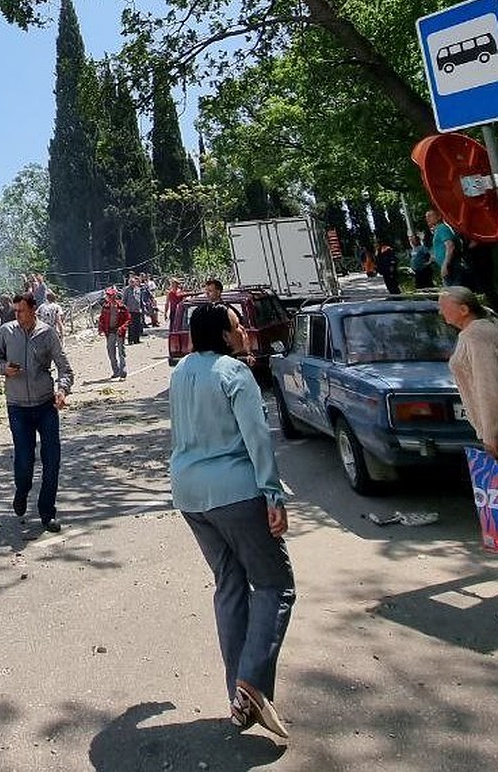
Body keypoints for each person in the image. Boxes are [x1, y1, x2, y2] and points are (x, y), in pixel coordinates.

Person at [169, 303, 295, 740]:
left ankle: (238, 697)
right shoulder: (233, 373)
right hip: (237, 492)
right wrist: (273, 494)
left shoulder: (181, 371)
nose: (243, 332)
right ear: (224, 335)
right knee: (275, 584)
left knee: (230, 584)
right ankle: (252, 680)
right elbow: (256, 438)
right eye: (238, 326)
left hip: (189, 495)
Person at [0, 292, 74, 533]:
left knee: (52, 460)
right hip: (17, 406)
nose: (17, 315)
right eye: (15, 311)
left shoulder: (47, 333)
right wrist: (4, 368)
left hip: (45, 405)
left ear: (33, 310)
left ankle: (47, 512)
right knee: (25, 459)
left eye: (21, 311)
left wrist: (62, 390)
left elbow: (64, 367)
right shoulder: (6, 332)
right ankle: (22, 490)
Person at [440, 287, 498, 460]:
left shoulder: (475, 335)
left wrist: (490, 434)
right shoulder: (482, 328)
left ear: (464, 310)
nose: (440, 311)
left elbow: (487, 385)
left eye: (444, 306)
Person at [204, 278, 249, 358]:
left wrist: (248, 353)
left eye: (210, 291)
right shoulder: (205, 311)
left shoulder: (228, 310)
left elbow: (241, 330)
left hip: (226, 354)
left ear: (218, 292)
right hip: (211, 354)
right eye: (206, 291)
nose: (207, 294)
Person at [97, 287, 131, 379]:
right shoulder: (105, 307)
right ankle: (116, 371)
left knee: (121, 352)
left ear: (114, 296)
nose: (107, 297)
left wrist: (122, 328)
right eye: (107, 295)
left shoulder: (122, 307)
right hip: (110, 332)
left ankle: (123, 371)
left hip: (119, 332)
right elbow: (102, 319)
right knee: (111, 352)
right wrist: (100, 329)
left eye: (109, 295)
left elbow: (128, 319)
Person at [427, 208, 465, 286]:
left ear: (439, 217)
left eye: (430, 216)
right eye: (426, 216)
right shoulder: (438, 230)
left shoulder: (442, 228)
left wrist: (445, 264)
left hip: (451, 266)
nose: (427, 218)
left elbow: (450, 246)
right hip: (449, 266)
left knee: (453, 293)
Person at [122, 275, 144, 345]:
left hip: (137, 310)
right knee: (131, 326)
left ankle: (136, 339)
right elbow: (124, 300)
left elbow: (140, 299)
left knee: (137, 325)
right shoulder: (126, 290)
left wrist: (142, 308)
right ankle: (130, 340)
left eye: (133, 282)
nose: (132, 283)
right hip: (130, 310)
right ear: (129, 283)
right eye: (131, 282)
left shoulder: (138, 289)